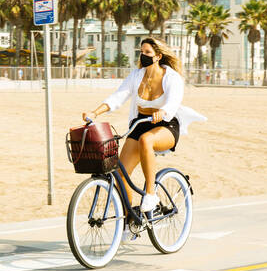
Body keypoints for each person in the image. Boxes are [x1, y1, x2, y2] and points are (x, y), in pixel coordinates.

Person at [82, 37, 206, 214]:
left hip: (166, 125)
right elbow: (118, 96)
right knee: (121, 175)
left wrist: (163, 111)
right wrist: (95, 112)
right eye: (141, 52)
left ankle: (150, 193)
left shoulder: (172, 77)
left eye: (147, 53)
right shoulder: (136, 75)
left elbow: (173, 102)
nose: (143, 56)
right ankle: (129, 222)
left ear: (158, 56)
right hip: (140, 123)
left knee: (146, 140)